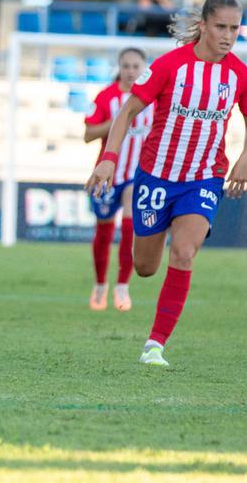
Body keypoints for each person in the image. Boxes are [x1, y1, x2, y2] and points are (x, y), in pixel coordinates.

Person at [87, 0, 247, 367]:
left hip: (203, 178)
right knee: (146, 268)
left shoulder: (241, 77)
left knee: (184, 253)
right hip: (156, 177)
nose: (228, 36)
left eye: (235, 29)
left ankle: (155, 345)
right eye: (221, 27)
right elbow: (128, 111)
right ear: (203, 25)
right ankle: (146, 255)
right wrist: (110, 158)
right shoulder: (171, 65)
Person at [83, 48, 153, 312]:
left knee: (130, 227)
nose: (131, 71)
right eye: (126, 66)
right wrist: (118, 122)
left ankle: (122, 286)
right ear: (120, 67)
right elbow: (88, 134)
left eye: (136, 66)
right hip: (108, 174)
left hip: (137, 175)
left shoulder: (153, 99)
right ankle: (100, 284)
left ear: (144, 68)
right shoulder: (107, 97)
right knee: (103, 230)